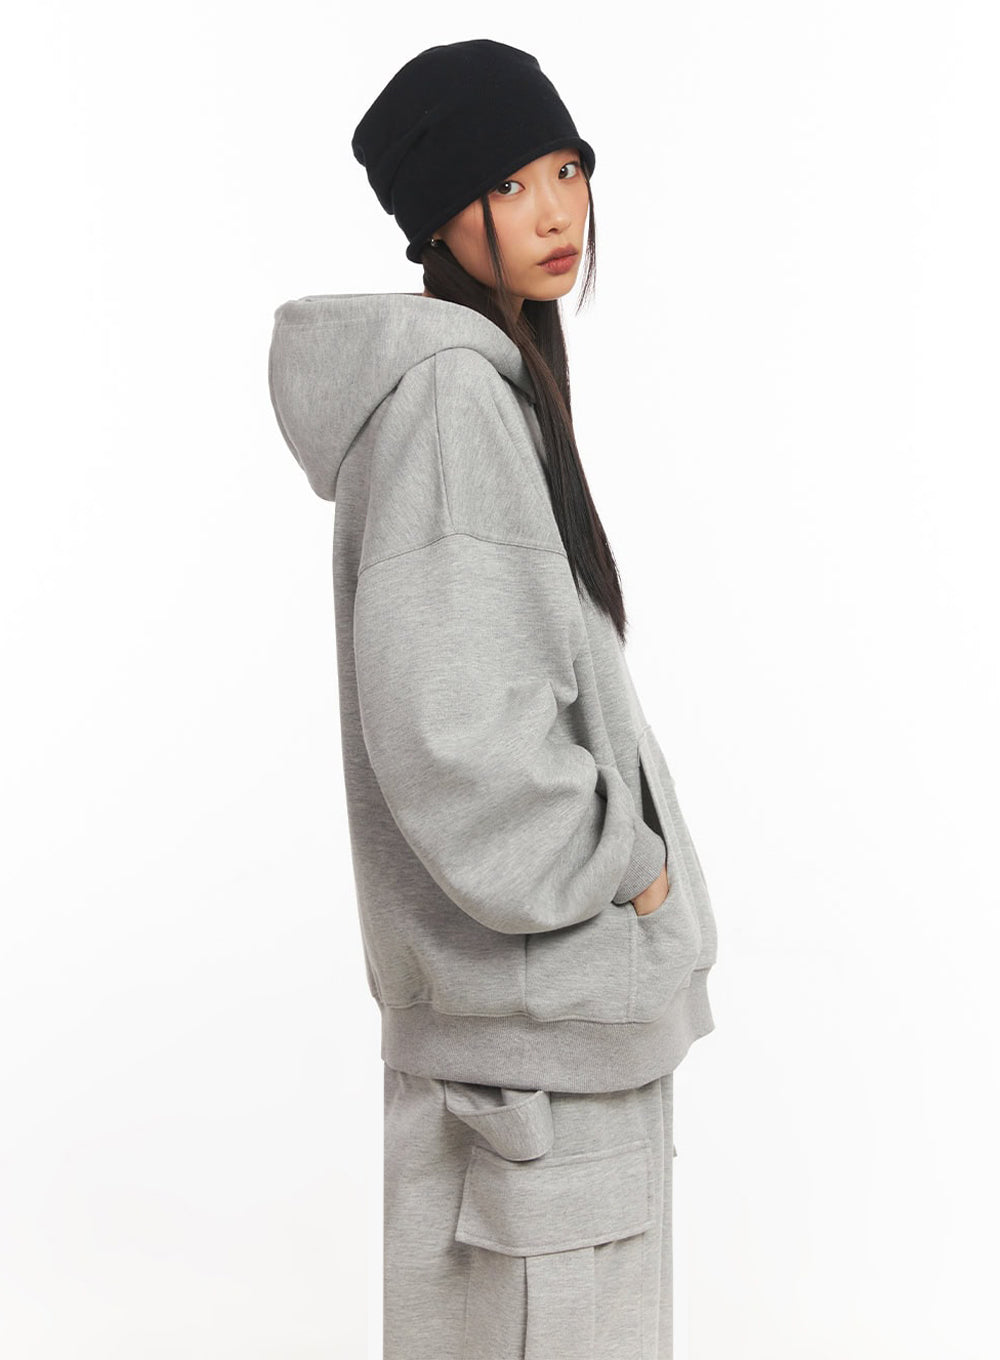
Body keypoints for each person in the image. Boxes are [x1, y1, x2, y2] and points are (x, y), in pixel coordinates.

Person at [268, 37, 719, 1360]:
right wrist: (628, 867)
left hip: (541, 1047)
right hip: (531, 1054)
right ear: (439, 216)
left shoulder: (486, 395)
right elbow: (457, 739)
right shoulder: (452, 402)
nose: (556, 210)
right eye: (509, 183)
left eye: (567, 170)